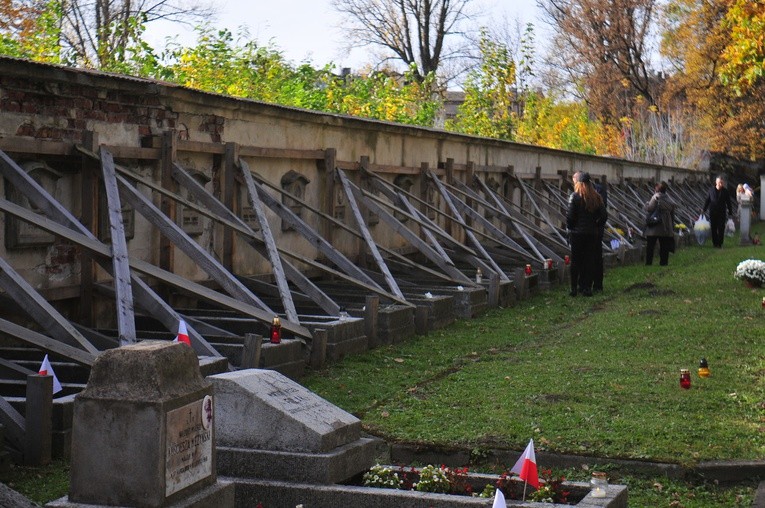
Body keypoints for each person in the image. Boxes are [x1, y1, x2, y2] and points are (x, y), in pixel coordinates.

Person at [566, 172, 607, 297]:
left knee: (576, 261)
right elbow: (604, 216)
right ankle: (587, 288)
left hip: (577, 234)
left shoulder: (574, 197)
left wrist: (572, 228)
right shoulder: (596, 197)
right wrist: (596, 224)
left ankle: (574, 288)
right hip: (592, 233)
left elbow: (570, 217)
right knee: (589, 260)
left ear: (579, 183)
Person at [644, 182, 676, 266]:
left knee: (650, 246)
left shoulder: (656, 197)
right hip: (665, 226)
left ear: (657, 189)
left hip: (654, 225)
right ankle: (664, 262)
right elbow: (672, 215)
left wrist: (646, 204)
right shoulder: (669, 200)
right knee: (664, 246)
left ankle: (648, 262)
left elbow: (650, 208)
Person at [702, 175, 734, 248]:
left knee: (721, 228)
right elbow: (707, 200)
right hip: (713, 212)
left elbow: (728, 203)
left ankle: (720, 243)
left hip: (722, 213)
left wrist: (730, 213)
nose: (720, 184)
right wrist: (704, 209)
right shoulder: (711, 190)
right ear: (716, 182)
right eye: (719, 182)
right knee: (713, 228)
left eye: (722, 183)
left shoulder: (725, 191)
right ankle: (715, 243)